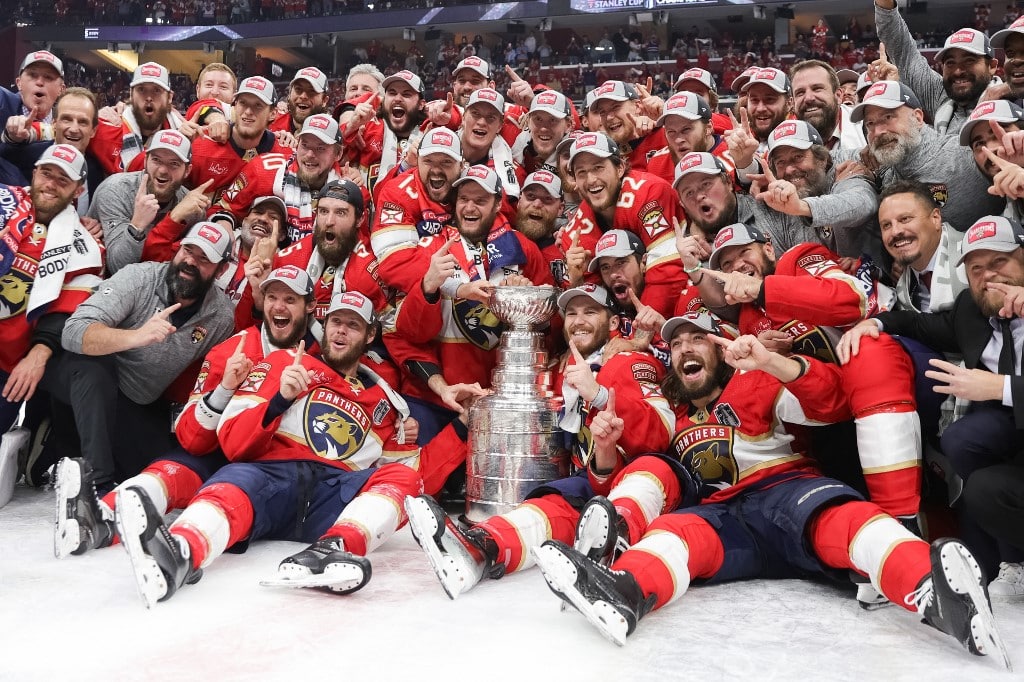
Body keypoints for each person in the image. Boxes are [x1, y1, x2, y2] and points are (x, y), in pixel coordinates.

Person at [529, 314, 1009, 671]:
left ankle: (933, 591)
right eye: (676, 344)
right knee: (676, 533)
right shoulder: (673, 418)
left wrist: (774, 362)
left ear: (721, 350)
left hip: (786, 491)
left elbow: (832, 403)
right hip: (724, 514)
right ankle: (624, 591)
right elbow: (638, 444)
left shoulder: (755, 383)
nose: (686, 347)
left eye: (699, 338)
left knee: (845, 519)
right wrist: (599, 401)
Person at [114, 290, 469, 605]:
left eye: (353, 326)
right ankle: (180, 551)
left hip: (333, 495)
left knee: (401, 480)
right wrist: (279, 399)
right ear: (323, 325)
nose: (341, 331)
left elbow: (416, 477)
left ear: (370, 335)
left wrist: (463, 428)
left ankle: (334, 549)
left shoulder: (386, 405)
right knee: (233, 479)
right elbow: (235, 444)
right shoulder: (284, 364)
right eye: (336, 323)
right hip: (272, 481)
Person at [403, 285, 673, 599]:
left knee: (624, 485)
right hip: (587, 482)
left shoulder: (627, 360)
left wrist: (597, 393)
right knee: (547, 505)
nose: (578, 320)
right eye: (571, 313)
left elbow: (662, 431)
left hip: (628, 484)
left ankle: (615, 554)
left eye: (590, 311)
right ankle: (480, 547)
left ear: (613, 323)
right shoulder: (557, 373)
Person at [53, 265, 320, 558]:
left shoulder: (327, 357)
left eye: (290, 300)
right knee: (172, 467)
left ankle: (182, 551)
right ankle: (99, 517)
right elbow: (190, 437)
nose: (279, 307)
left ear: (310, 306)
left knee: (232, 479)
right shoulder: (232, 349)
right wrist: (224, 391)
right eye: (272, 297)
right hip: (218, 455)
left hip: (275, 469)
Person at [838, 214, 1024, 601]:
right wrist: (875, 325)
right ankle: (1015, 562)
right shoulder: (970, 312)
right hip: (1013, 436)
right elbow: (920, 325)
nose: (988, 276)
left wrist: (1001, 387)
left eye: (999, 262)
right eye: (976, 269)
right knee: (965, 446)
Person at [40, 221, 236, 494]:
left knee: (154, 470)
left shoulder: (221, 316)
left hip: (135, 401)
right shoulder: (137, 278)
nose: (190, 261)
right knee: (95, 371)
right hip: (83, 380)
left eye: (205, 259)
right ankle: (96, 486)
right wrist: (136, 337)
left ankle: (63, 441)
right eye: (188, 251)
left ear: (221, 270)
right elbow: (73, 331)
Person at [0, 144, 103, 435]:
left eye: (63, 180)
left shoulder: (86, 248)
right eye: (47, 174)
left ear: (78, 191)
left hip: (8, 366)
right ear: (34, 173)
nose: (51, 185)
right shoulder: (3, 200)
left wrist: (36, 357)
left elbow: (64, 315)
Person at [560, 132, 685, 318]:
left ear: (619, 168)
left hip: (679, 300)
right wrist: (577, 281)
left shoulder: (650, 193)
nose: (591, 179)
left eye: (598, 167)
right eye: (582, 173)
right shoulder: (573, 234)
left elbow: (668, 276)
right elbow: (585, 313)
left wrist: (639, 335)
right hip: (631, 312)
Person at [88, 130, 211, 274]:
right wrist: (137, 226)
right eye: (156, 160)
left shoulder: (190, 206)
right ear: (145, 160)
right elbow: (117, 267)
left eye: (174, 164)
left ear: (187, 171)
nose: (163, 170)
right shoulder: (116, 190)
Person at [872, 3, 996, 136]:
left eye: (969, 61)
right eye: (950, 63)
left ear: (992, 66)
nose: (958, 71)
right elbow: (903, 50)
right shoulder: (941, 96)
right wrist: (885, 5)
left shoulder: (1011, 103)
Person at [89, 62, 184, 175]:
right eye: (141, 90)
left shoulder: (184, 135)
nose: (149, 97)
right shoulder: (104, 131)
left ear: (169, 97)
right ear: (131, 94)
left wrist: (210, 116)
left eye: (157, 90)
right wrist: (91, 113)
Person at [789, 60, 866, 152]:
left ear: (838, 95)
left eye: (817, 89)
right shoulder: (782, 140)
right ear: (792, 103)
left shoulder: (867, 127)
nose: (808, 98)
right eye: (800, 93)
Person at [269, 67, 329, 136]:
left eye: (312, 91)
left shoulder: (332, 135)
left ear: (324, 100)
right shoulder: (270, 125)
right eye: (298, 89)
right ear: (290, 93)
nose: (303, 96)